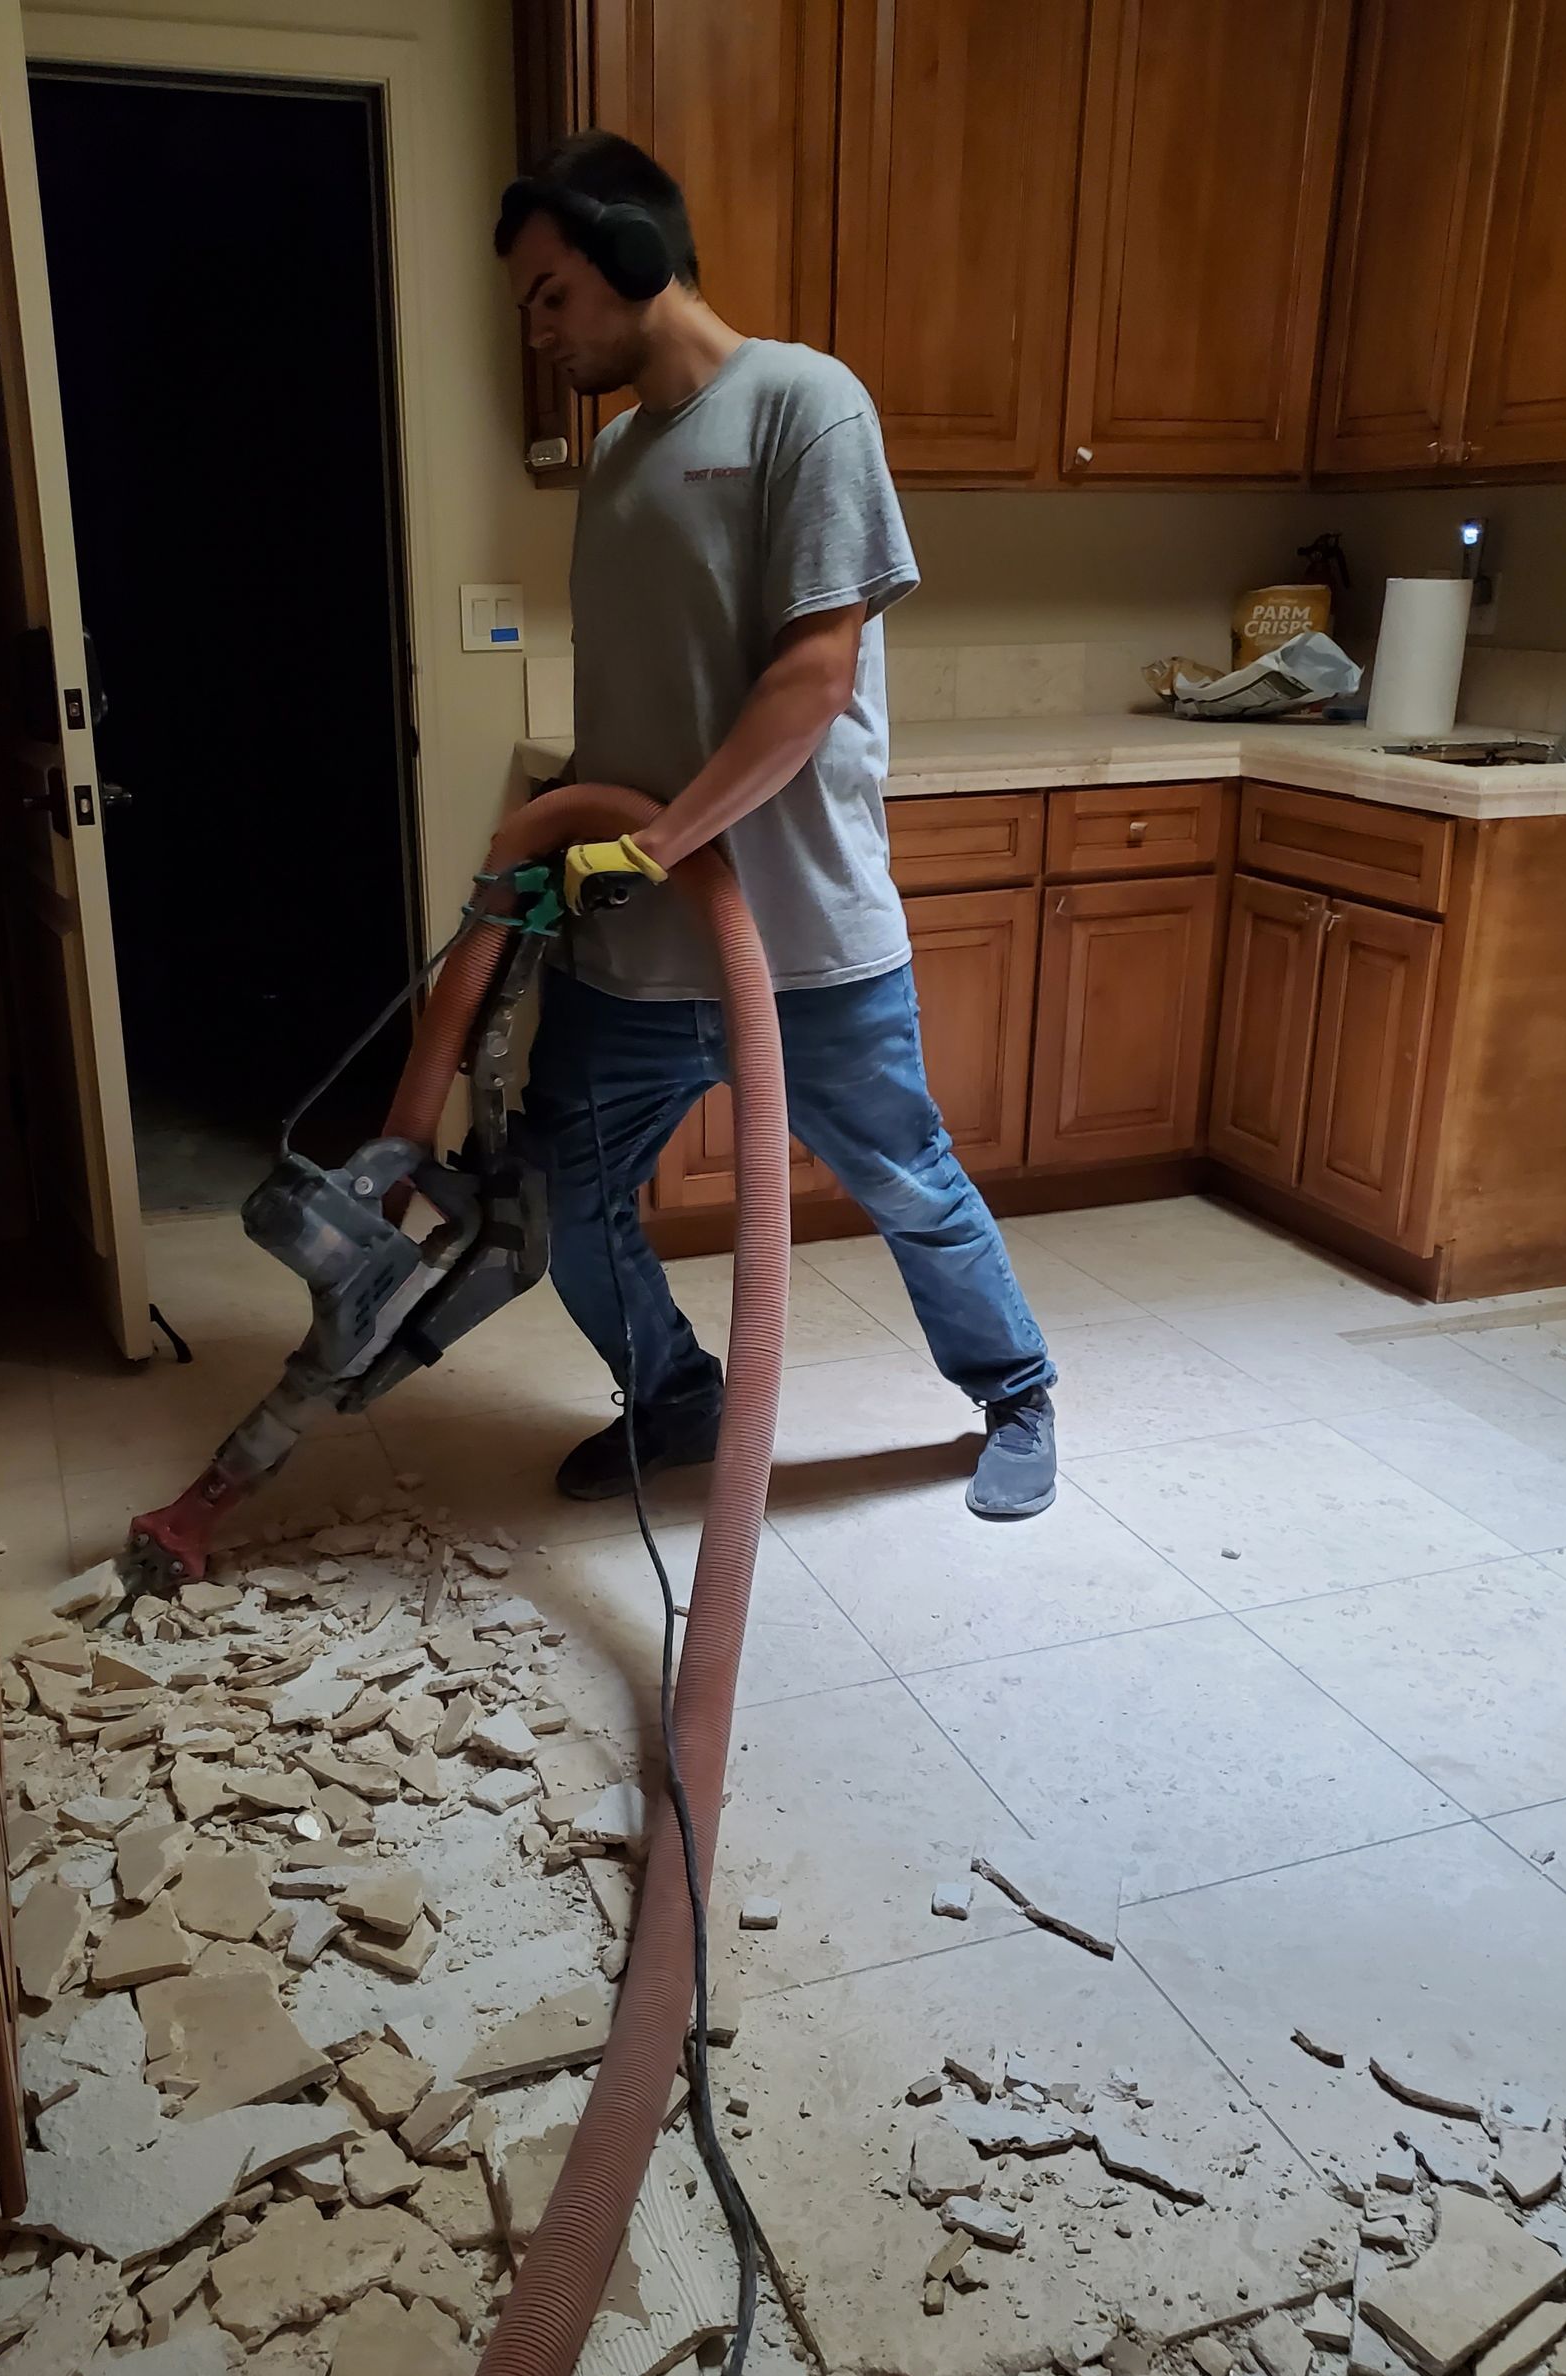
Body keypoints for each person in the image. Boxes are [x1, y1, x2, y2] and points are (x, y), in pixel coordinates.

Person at [494, 131, 1058, 1521]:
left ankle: (1018, 1394)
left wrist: (660, 847)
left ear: (635, 258)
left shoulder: (809, 407)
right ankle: (676, 1394)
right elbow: (647, 701)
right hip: (632, 949)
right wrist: (561, 845)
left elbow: (810, 682)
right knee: (561, 1202)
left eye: (554, 291)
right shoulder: (619, 458)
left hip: (800, 938)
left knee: (910, 1184)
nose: (541, 329)